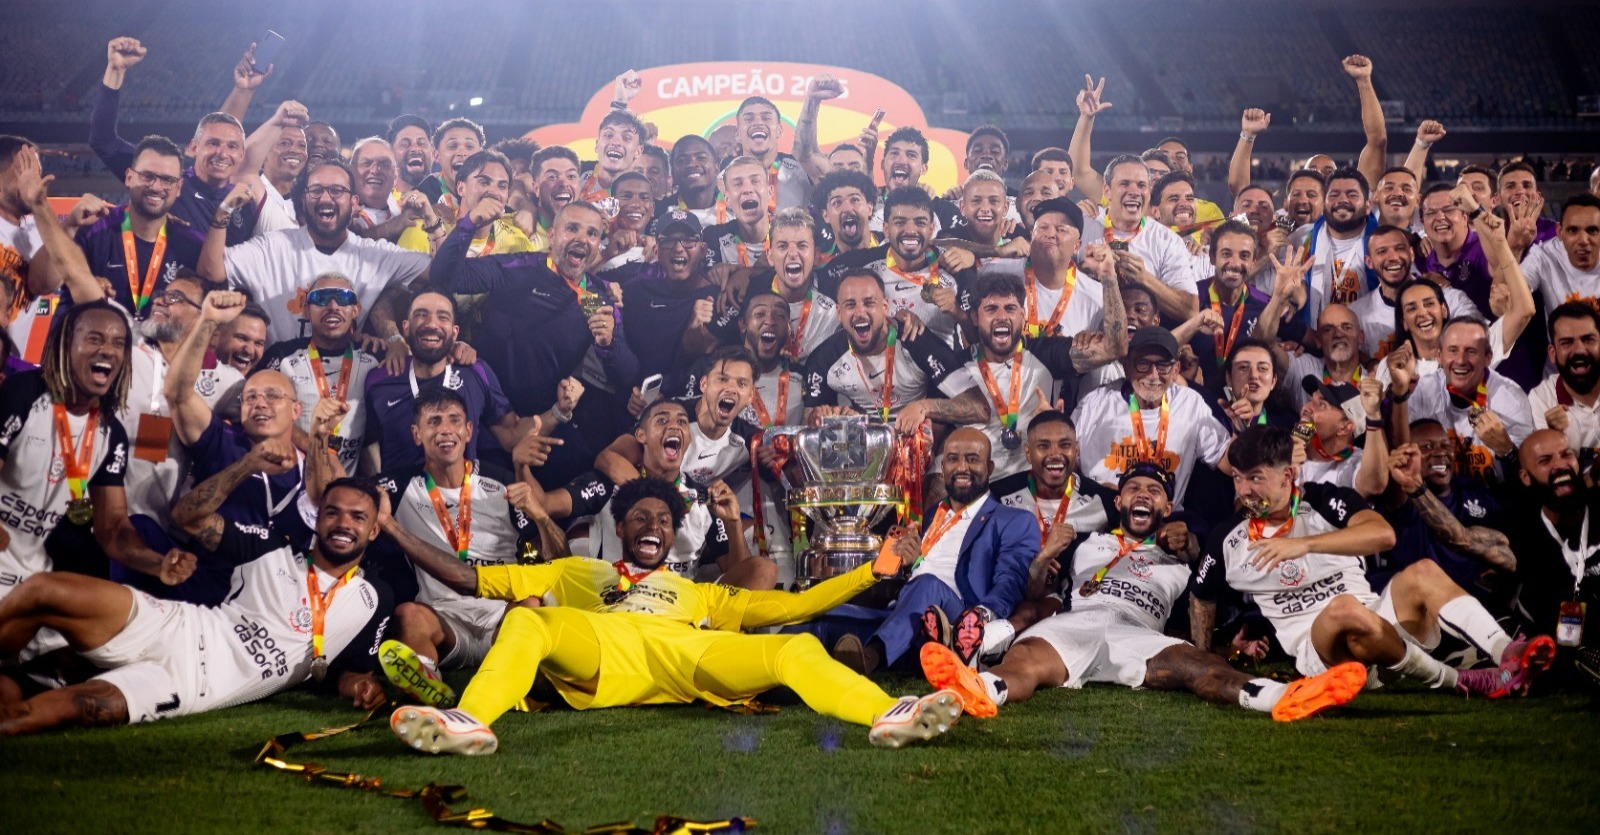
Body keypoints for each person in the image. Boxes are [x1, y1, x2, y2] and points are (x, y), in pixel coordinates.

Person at [384, 476, 961, 755]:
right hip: (605, 651)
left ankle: (889, 715)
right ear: (620, 526)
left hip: (690, 656)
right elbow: (468, 578)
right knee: (530, 622)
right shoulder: (576, 572)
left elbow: (793, 605)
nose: (652, 526)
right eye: (639, 517)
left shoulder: (699, 590)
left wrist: (872, 571)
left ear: (675, 531)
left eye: (663, 518)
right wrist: (389, 528)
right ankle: (467, 720)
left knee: (794, 647)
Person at [922, 462, 1366, 723]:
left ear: (1167, 507)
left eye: (1154, 491)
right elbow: (1039, 592)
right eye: (1133, 488)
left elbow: (1221, 588)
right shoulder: (1084, 541)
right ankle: (981, 688)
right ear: (1118, 502)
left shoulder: (1184, 548)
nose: (1142, 495)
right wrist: (1046, 555)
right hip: (1077, 621)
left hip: (1139, 629)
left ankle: (1279, 698)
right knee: (1026, 663)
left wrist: (1191, 545)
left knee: (1198, 666)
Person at [0, 475, 392, 736]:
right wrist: (249, 463)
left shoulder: (373, 599)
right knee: (43, 590)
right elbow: (188, 517)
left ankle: (23, 680)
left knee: (34, 716)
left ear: (373, 529)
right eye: (333, 512)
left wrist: (361, 686)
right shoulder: (271, 547)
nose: (344, 524)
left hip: (191, 685)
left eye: (358, 517)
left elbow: (348, 673)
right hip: (178, 626)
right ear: (317, 518)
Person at [1193, 425, 1555, 699]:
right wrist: (1205, 657)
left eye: (1256, 478)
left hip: (1384, 628)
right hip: (1323, 657)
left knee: (1422, 572)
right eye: (1239, 479)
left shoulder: (1323, 501)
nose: (1243, 491)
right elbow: (1201, 596)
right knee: (1342, 609)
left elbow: (1382, 535)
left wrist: (1304, 545)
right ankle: (1459, 681)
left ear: (1287, 475)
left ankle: (1507, 652)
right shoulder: (1229, 537)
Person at [372, 388, 568, 703]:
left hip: (502, 615)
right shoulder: (396, 487)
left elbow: (561, 561)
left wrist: (541, 515)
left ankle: (523, 675)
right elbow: (334, 498)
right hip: (443, 619)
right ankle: (426, 686)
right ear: (417, 434)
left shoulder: (501, 483)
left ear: (469, 431)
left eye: (454, 420)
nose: (445, 430)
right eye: (433, 422)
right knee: (408, 615)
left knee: (532, 608)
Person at [0, 300, 194, 601]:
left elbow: (113, 529)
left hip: (34, 579)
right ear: (66, 344)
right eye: (94, 339)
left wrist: (158, 563)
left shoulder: (110, 433)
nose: (108, 350)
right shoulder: (22, 393)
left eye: (119, 343)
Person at [823, 428, 1038, 674]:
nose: (961, 467)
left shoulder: (1013, 520)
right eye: (953, 459)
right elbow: (915, 580)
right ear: (943, 467)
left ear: (989, 468)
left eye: (972, 459)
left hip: (959, 619)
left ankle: (870, 658)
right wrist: (905, 564)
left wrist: (980, 619)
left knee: (928, 584)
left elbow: (1010, 582)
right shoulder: (933, 514)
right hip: (904, 613)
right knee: (825, 615)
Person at [429, 200, 639, 452]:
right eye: (572, 228)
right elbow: (445, 276)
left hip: (540, 421)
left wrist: (609, 344)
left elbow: (627, 376)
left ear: (598, 244)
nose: (582, 238)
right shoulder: (518, 268)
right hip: (483, 406)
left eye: (592, 233)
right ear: (552, 234)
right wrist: (468, 224)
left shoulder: (596, 298)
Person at [198, 159, 430, 344]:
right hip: (276, 381)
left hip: (345, 386)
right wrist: (222, 215)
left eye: (337, 191)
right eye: (316, 190)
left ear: (354, 202)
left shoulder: (374, 256)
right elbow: (210, 272)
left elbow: (438, 272)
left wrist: (434, 221)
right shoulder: (271, 247)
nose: (326, 198)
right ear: (304, 198)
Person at [88, 38, 267, 245]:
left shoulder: (245, 204)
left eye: (232, 146)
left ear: (241, 155)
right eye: (212, 144)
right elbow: (103, 141)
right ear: (193, 147)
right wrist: (115, 70)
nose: (222, 153)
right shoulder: (168, 179)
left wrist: (244, 89)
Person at [962, 271, 1125, 480]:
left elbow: (1115, 347)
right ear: (975, 317)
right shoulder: (958, 364)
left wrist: (1109, 276)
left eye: (1010, 308)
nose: (1002, 316)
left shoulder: (1048, 353)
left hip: (1035, 482)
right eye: (991, 309)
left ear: (1022, 314)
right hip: (979, 482)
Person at [362, 291, 534, 475]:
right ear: (406, 326)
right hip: (400, 499)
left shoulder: (474, 371)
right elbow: (366, 444)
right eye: (421, 315)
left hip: (464, 498)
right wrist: (376, 488)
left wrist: (558, 412)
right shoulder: (379, 379)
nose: (431, 324)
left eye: (442, 317)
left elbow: (509, 434)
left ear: (454, 331)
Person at [802, 268, 985, 428]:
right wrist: (820, 418)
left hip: (919, 442)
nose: (860, 312)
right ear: (839, 313)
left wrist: (925, 408)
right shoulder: (824, 359)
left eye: (869, 303)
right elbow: (809, 423)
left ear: (885, 307)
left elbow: (979, 408)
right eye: (850, 305)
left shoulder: (915, 340)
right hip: (863, 447)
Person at [1073, 326, 1230, 509]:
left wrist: (1243, 429)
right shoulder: (1095, 404)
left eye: (1163, 365)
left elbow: (1227, 461)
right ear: (1127, 366)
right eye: (1143, 363)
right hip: (1103, 517)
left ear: (1175, 369)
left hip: (1164, 522)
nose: (1153, 375)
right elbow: (1068, 460)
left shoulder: (1189, 403)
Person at [255, 273, 382, 476]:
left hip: (344, 494)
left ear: (356, 309)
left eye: (343, 298)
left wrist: (396, 343)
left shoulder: (375, 356)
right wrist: (311, 443)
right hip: (291, 486)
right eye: (321, 299)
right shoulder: (282, 356)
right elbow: (254, 412)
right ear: (306, 310)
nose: (333, 306)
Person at [66, 135, 206, 317]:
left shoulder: (192, 244)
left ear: (178, 187)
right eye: (147, 176)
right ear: (129, 177)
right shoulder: (92, 229)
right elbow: (43, 283)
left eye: (168, 180)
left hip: (160, 345)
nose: (156, 187)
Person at [821, 186, 976, 347]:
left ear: (931, 229)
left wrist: (958, 313)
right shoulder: (862, 265)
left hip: (939, 368)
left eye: (920, 222)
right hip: (877, 367)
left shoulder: (956, 265)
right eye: (900, 222)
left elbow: (979, 339)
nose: (910, 230)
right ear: (886, 229)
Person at [1380, 423, 1515, 606]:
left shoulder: (1472, 488)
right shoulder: (1401, 500)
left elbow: (1506, 549)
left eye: (1445, 445)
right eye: (1426, 447)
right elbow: (1464, 540)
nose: (1440, 452)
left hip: (1483, 604)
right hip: (1426, 612)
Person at [1509, 430, 1600, 671]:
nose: (1560, 465)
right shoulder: (1524, 534)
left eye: (1566, 455)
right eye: (1545, 460)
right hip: (1567, 645)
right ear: (1525, 477)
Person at [1081, 155, 1200, 321]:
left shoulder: (1167, 240)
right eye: (1124, 183)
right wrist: (1082, 270)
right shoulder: (1083, 226)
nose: (1134, 191)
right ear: (1107, 191)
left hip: (1141, 340)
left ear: (1149, 193)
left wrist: (1144, 278)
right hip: (1089, 335)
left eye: (1141, 185)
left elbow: (1190, 310)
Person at [615, 208, 720, 382]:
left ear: (703, 250)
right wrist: (608, 289)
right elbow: (587, 293)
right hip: (634, 400)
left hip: (689, 402)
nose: (678, 248)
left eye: (688, 240)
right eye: (668, 241)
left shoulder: (718, 300)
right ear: (656, 252)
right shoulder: (635, 294)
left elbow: (712, 368)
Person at [1348, 225, 1480, 358]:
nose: (1393, 257)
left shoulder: (1449, 299)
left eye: (1399, 248)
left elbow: (1480, 336)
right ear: (1369, 262)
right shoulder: (1357, 315)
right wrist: (1369, 363)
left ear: (1411, 254)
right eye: (1382, 252)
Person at [1530, 301, 1600, 449]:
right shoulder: (1541, 399)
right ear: (1553, 353)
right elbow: (1552, 470)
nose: (1580, 350)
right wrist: (1555, 438)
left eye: (1588, 339)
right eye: (1567, 342)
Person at [1520, 194, 1600, 313]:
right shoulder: (1543, 255)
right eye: (1573, 230)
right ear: (1559, 232)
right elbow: (1510, 299)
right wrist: (1515, 246)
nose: (1583, 240)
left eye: (1592, 230)